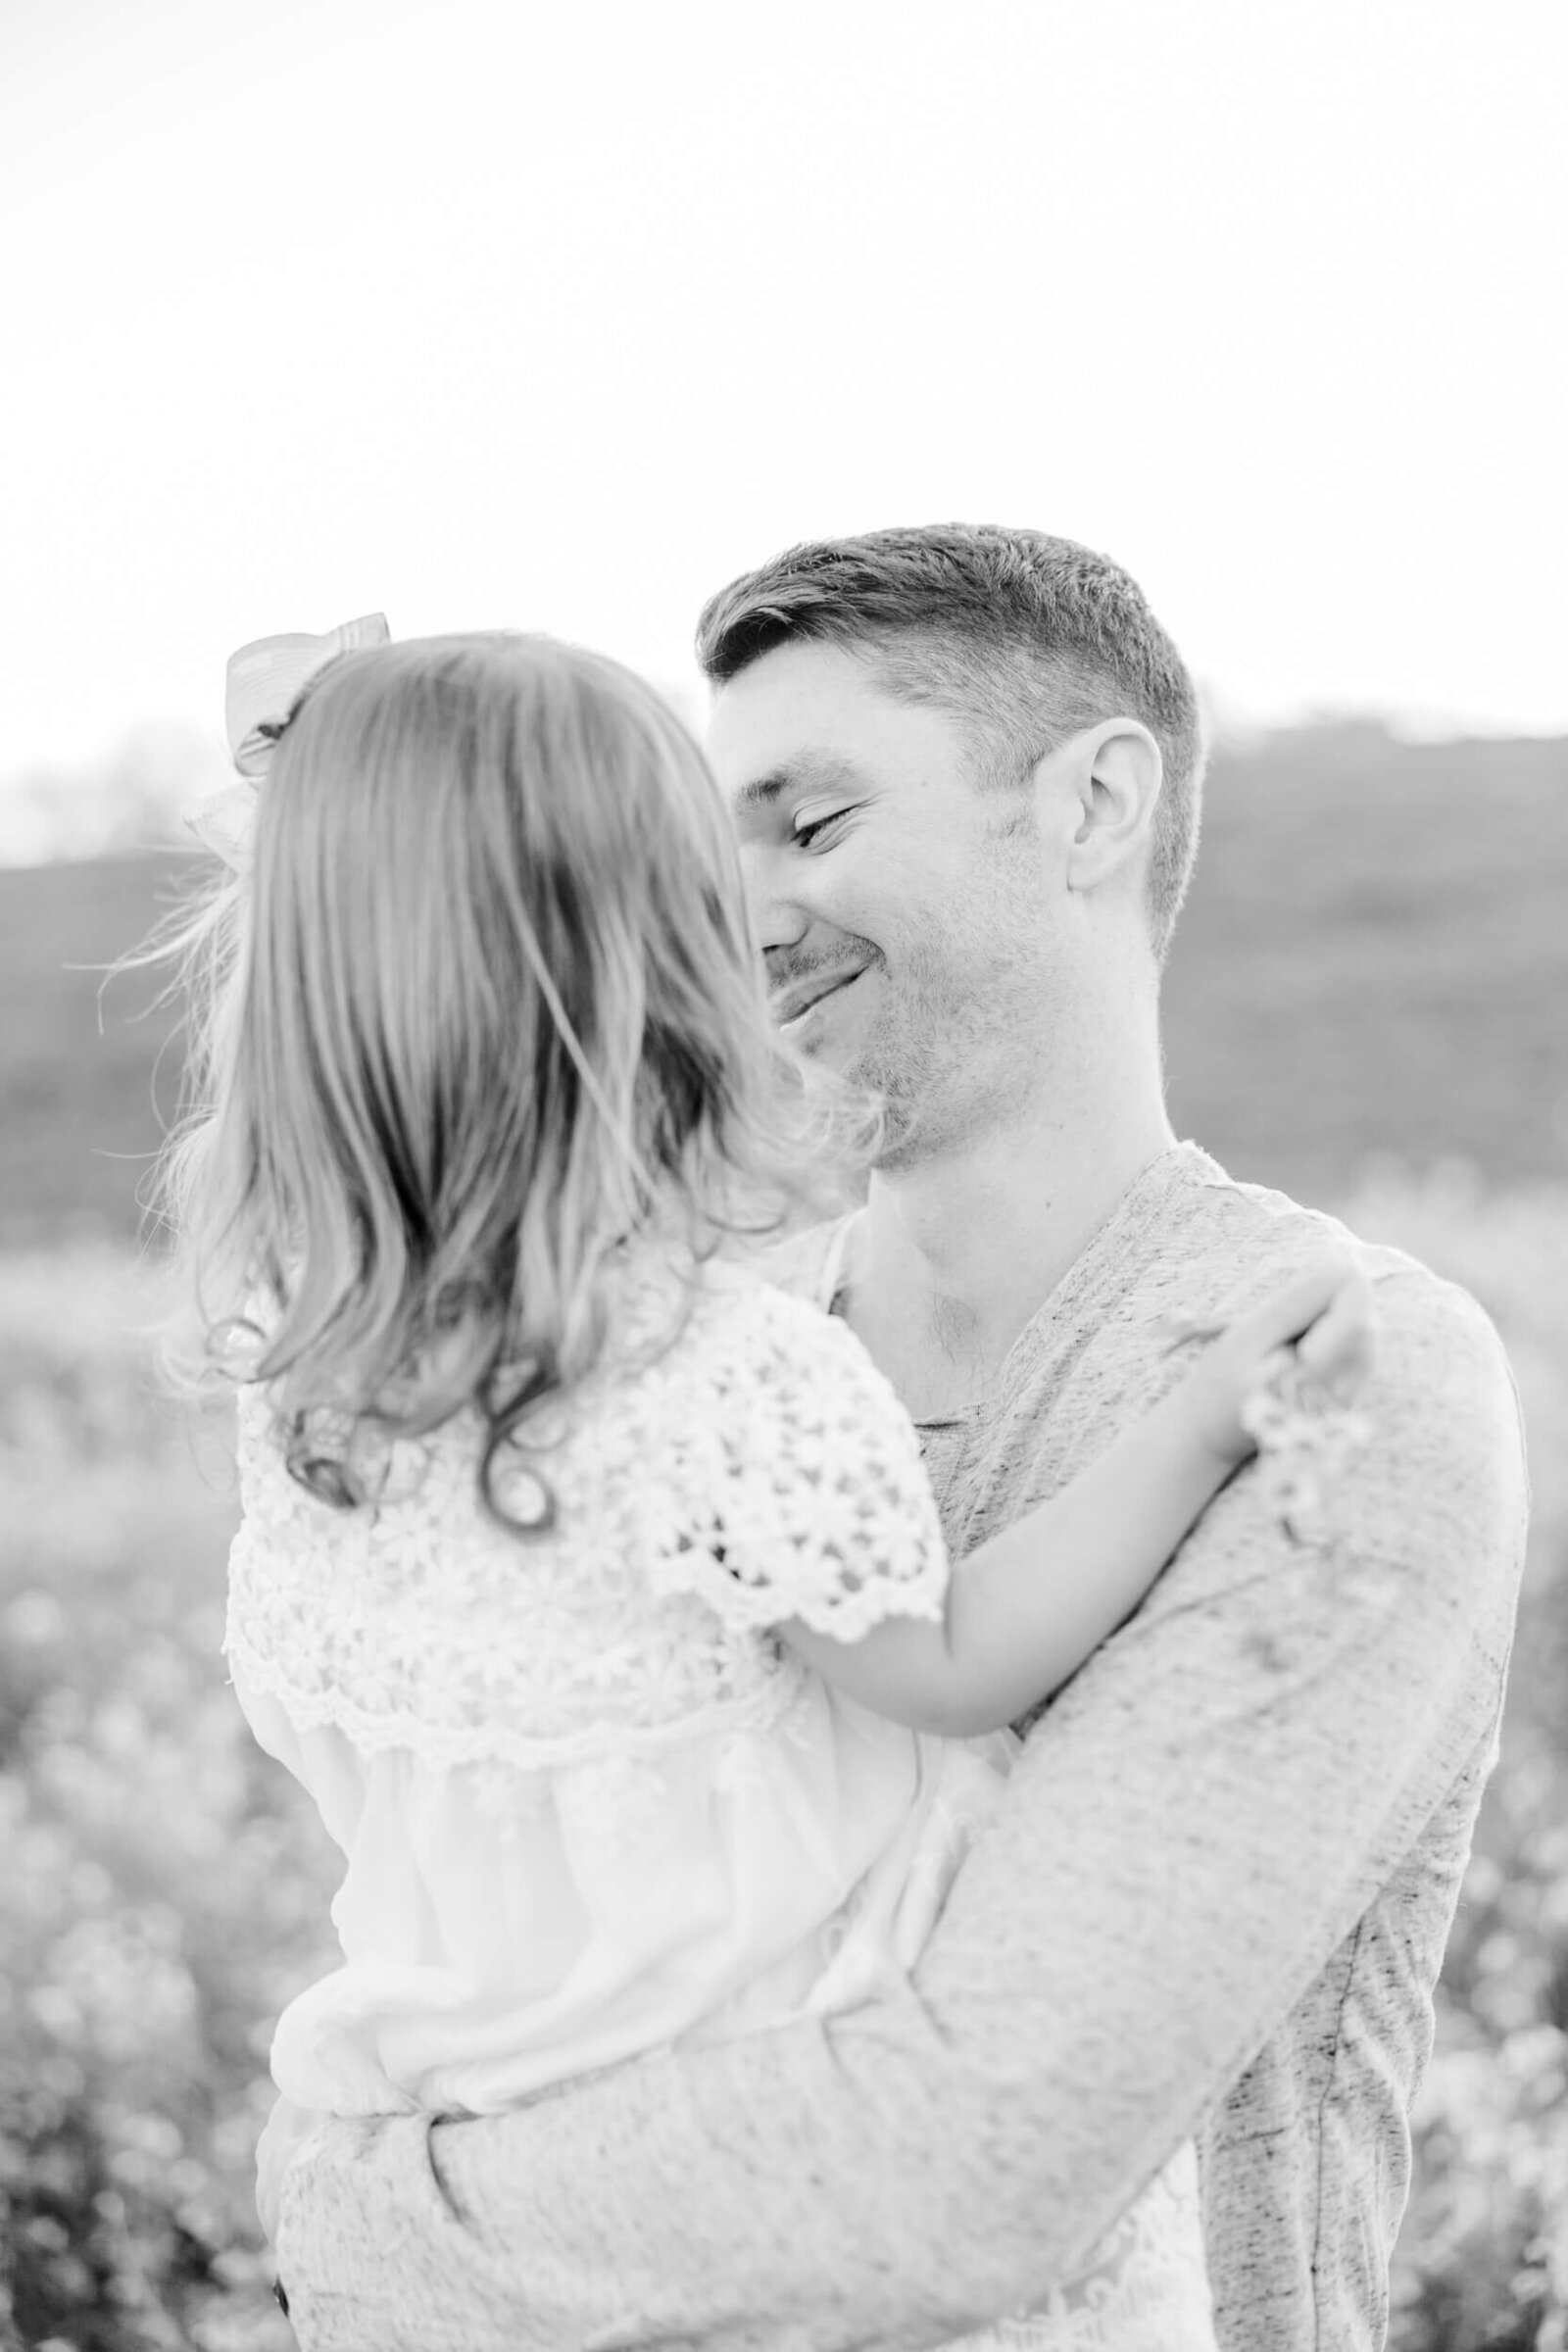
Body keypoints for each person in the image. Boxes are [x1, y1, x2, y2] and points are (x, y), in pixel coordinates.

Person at [265, 529, 1527, 2352]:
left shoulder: (1334, 1374)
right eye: (707, 854)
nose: (736, 915)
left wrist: (353, 2213)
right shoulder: (655, 1360)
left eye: (814, 823)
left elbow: (960, 2169)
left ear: (1092, 805)